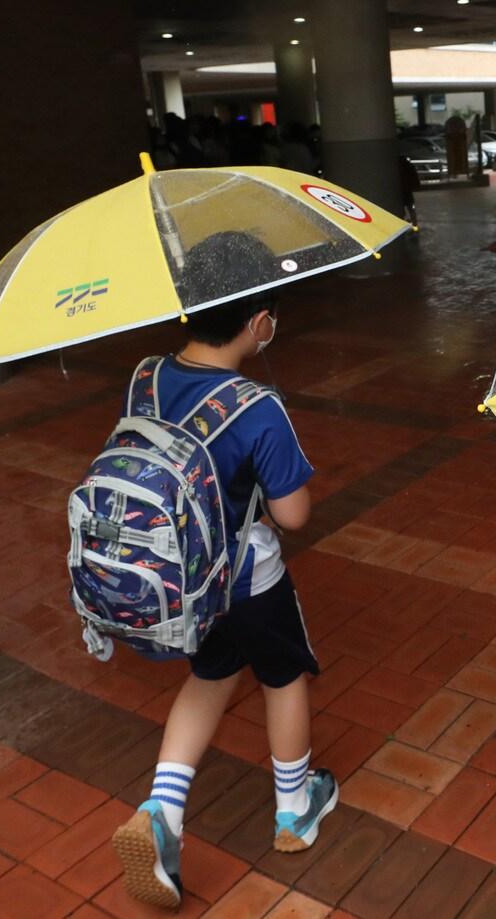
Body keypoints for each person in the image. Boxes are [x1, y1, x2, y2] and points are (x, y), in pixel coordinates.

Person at [109, 232, 334, 910]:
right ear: (259, 321)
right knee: (283, 674)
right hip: (248, 579)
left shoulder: (144, 374)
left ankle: (161, 813)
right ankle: (295, 808)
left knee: (209, 676)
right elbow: (292, 514)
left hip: (181, 579)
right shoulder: (256, 405)